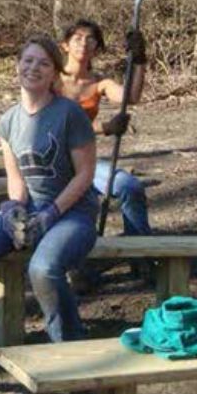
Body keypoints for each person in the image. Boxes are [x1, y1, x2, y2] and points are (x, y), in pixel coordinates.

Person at [0, 34, 98, 365]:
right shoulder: (9, 120)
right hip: (30, 209)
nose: (33, 68)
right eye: (27, 61)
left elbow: (85, 175)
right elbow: (16, 180)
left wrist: (51, 213)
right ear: (17, 66)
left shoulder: (69, 114)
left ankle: (72, 358)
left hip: (73, 214)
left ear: (55, 73)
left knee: (43, 269)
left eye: (43, 63)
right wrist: (13, 210)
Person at [59, 19, 151, 236]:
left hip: (84, 164)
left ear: (97, 48)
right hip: (53, 164)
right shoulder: (52, 79)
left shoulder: (100, 82)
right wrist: (105, 127)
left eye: (90, 39)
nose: (84, 43)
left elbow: (131, 97)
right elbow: (56, 128)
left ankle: (140, 254)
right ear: (65, 45)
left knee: (131, 188)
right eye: (77, 38)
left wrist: (139, 60)